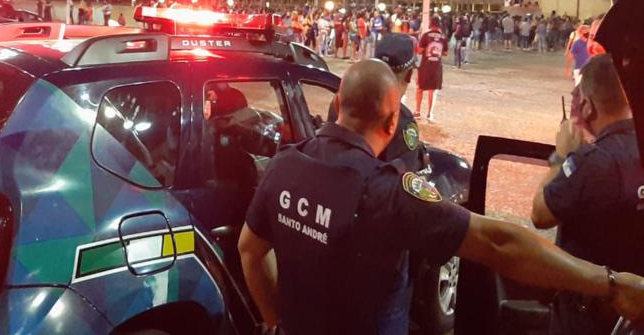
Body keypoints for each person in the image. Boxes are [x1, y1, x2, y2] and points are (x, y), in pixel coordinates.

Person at [238, 60, 644, 335]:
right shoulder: (388, 192)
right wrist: (610, 284)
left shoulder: (283, 166)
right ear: (394, 119)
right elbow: (499, 243)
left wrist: (275, 322)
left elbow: (250, 251)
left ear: (337, 104)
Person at [531, 54, 644, 334]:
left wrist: (561, 155)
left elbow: (540, 213)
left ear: (588, 106)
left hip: (591, 314)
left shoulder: (595, 161)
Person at [374, 35, 424, 333]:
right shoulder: (401, 120)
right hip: (383, 254)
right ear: (409, 74)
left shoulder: (342, 104)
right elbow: (407, 188)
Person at [415, 16, 448, 121]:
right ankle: (430, 113)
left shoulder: (426, 36)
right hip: (436, 67)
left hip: (425, 66)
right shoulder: (443, 37)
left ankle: (417, 111)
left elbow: (419, 51)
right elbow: (446, 53)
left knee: (420, 88)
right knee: (432, 91)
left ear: (431, 24)